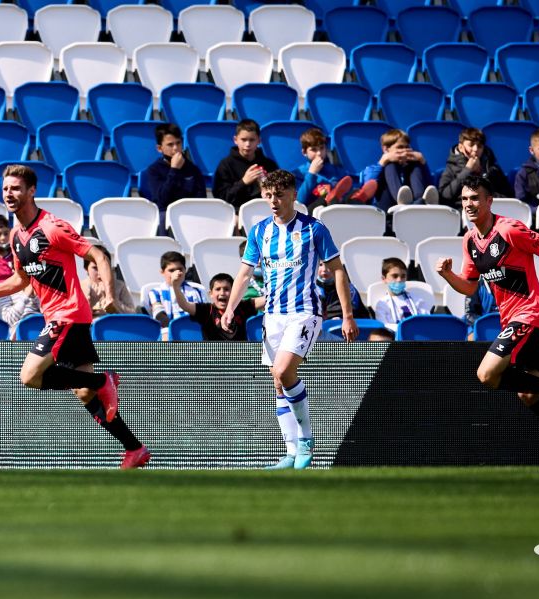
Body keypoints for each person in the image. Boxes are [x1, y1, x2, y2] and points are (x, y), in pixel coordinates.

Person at [0, 164, 151, 469]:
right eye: (5, 189)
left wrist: (107, 292)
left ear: (31, 191)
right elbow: (22, 280)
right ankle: (134, 449)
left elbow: (97, 255)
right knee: (85, 393)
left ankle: (103, 379)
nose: (9, 194)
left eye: (15, 188)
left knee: (29, 376)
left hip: (67, 315)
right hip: (58, 317)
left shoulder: (53, 227)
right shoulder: (16, 236)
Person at [435, 175, 539, 468]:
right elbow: (470, 287)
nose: (469, 204)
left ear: (489, 201)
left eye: (475, 198)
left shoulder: (509, 229)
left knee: (486, 374)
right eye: (465, 199)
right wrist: (447, 275)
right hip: (511, 319)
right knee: (528, 393)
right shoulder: (469, 241)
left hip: (530, 314)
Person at [221, 170, 359, 470]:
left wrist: (347, 315)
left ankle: (307, 440)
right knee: (278, 383)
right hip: (273, 316)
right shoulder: (259, 232)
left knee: (284, 372)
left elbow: (337, 271)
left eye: (279, 194)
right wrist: (231, 308)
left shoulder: (314, 229)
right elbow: (245, 274)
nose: (273, 200)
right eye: (268, 195)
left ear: (293, 195)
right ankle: (291, 452)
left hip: (305, 312)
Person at [138, 123, 206, 235]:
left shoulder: (193, 169)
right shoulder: (154, 170)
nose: (175, 148)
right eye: (170, 144)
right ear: (160, 148)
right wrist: (174, 170)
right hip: (166, 216)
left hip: (190, 216)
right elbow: (162, 200)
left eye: (178, 143)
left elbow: (201, 199)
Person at [292, 127, 376, 208]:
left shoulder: (335, 170)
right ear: (304, 152)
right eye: (314, 150)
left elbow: (346, 186)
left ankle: (358, 197)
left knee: (351, 196)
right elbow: (299, 202)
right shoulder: (298, 173)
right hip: (313, 211)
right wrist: (311, 174)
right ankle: (333, 197)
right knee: (325, 199)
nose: (319, 153)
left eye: (322, 148)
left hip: (338, 209)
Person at [170, 272, 265, 341]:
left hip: (238, 356)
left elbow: (266, 299)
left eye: (226, 289)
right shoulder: (206, 310)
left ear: (233, 293)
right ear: (210, 294)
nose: (222, 293)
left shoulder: (242, 307)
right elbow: (184, 305)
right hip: (213, 359)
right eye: (218, 289)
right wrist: (176, 286)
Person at [361, 128, 439, 210]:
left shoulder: (412, 167)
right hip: (387, 208)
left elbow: (431, 186)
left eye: (407, 147)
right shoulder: (373, 168)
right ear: (386, 149)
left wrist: (423, 162)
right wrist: (383, 161)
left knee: (415, 164)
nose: (405, 151)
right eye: (400, 147)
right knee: (390, 165)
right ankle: (402, 201)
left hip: (414, 205)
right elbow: (368, 186)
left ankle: (420, 201)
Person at [438, 127, 513, 208]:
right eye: (471, 145)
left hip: (490, 210)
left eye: (480, 146)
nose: (475, 149)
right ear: (460, 147)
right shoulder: (451, 167)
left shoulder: (492, 169)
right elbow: (444, 196)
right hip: (462, 212)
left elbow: (508, 196)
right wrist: (467, 170)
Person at [213, 119, 279, 209]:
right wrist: (243, 182)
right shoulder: (225, 165)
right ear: (235, 140)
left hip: (264, 211)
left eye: (252, 140)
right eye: (243, 140)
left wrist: (266, 187)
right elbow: (221, 198)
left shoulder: (269, 165)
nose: (247, 144)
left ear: (259, 141)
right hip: (236, 212)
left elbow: (279, 196)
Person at [145, 251, 206, 332]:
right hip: (169, 332)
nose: (177, 273)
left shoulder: (197, 290)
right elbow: (159, 316)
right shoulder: (155, 293)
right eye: (172, 270)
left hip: (196, 330)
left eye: (180, 269)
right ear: (162, 272)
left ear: (185, 270)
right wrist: (177, 329)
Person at [373, 257, 430, 336]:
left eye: (403, 276)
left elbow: (426, 321)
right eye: (395, 276)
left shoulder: (417, 300)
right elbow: (383, 326)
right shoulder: (382, 304)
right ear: (384, 279)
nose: (399, 279)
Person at [81, 246, 134, 317]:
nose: (100, 273)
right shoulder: (81, 286)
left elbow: (133, 314)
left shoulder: (120, 286)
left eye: (104, 268)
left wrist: (113, 300)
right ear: (86, 269)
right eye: (95, 268)